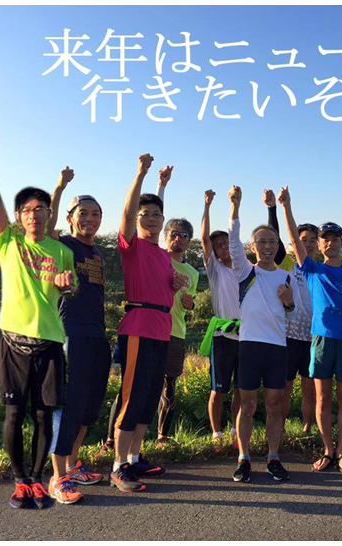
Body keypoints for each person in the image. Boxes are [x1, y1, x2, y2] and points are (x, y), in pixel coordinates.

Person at [0, 131, 77, 509]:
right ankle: (19, 480)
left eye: (41, 209)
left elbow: (71, 290)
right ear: (19, 217)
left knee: (43, 415)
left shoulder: (60, 251)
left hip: (49, 342)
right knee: (14, 414)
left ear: (50, 214)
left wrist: (67, 286)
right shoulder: (9, 243)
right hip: (13, 342)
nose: (34, 214)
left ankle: (37, 480)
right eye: (28, 210)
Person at [279, 185, 342, 473]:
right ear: (318, 246)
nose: (330, 243)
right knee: (321, 398)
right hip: (320, 340)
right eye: (325, 240)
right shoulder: (312, 269)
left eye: (335, 239)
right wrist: (286, 206)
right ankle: (328, 450)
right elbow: (293, 239)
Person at [109, 154, 186, 493]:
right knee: (131, 398)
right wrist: (141, 173)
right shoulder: (133, 246)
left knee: (149, 397)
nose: (151, 219)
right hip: (138, 326)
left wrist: (161, 187)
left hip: (161, 329)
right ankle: (118, 466)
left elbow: (153, 212)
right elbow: (128, 215)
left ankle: (135, 457)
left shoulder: (163, 255)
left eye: (157, 215)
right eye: (146, 215)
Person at [47, 167, 109, 504]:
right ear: (70, 218)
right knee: (70, 405)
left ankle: (73, 466)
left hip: (97, 334)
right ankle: (58, 478)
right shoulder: (62, 245)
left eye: (95, 214)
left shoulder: (97, 253)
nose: (90, 219)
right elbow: (47, 225)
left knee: (89, 406)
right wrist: (60, 187)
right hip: (71, 332)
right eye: (83, 213)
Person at [227, 186, 295, 483]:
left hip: (277, 347)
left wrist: (288, 301)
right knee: (248, 405)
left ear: (278, 246)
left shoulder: (286, 275)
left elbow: (291, 312)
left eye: (272, 242)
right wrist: (235, 206)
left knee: (274, 406)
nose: (267, 246)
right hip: (250, 346)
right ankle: (243, 458)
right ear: (253, 246)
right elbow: (232, 243)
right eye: (262, 242)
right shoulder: (246, 272)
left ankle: (273, 457)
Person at [263, 190, 317, 435]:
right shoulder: (287, 264)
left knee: (309, 388)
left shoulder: (319, 270)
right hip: (288, 336)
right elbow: (274, 236)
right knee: (284, 387)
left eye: (312, 240)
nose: (307, 244)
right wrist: (273, 208)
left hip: (313, 337)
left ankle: (307, 428)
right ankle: (281, 428)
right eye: (303, 239)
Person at [155, 172, 200, 446]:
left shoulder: (192, 272)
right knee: (141, 383)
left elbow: (188, 303)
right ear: (165, 236)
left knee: (169, 385)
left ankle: (162, 435)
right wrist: (161, 186)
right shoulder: (157, 258)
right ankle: (117, 439)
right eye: (174, 234)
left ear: (189, 241)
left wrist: (189, 304)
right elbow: (153, 216)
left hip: (177, 332)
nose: (179, 239)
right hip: (152, 329)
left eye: (184, 236)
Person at [200, 189, 242, 451]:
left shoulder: (244, 268)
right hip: (223, 336)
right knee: (218, 389)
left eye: (226, 243)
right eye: (218, 246)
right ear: (213, 252)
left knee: (241, 388)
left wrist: (234, 206)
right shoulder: (214, 269)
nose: (224, 247)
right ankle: (216, 433)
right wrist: (207, 206)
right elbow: (203, 238)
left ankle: (236, 431)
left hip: (246, 334)